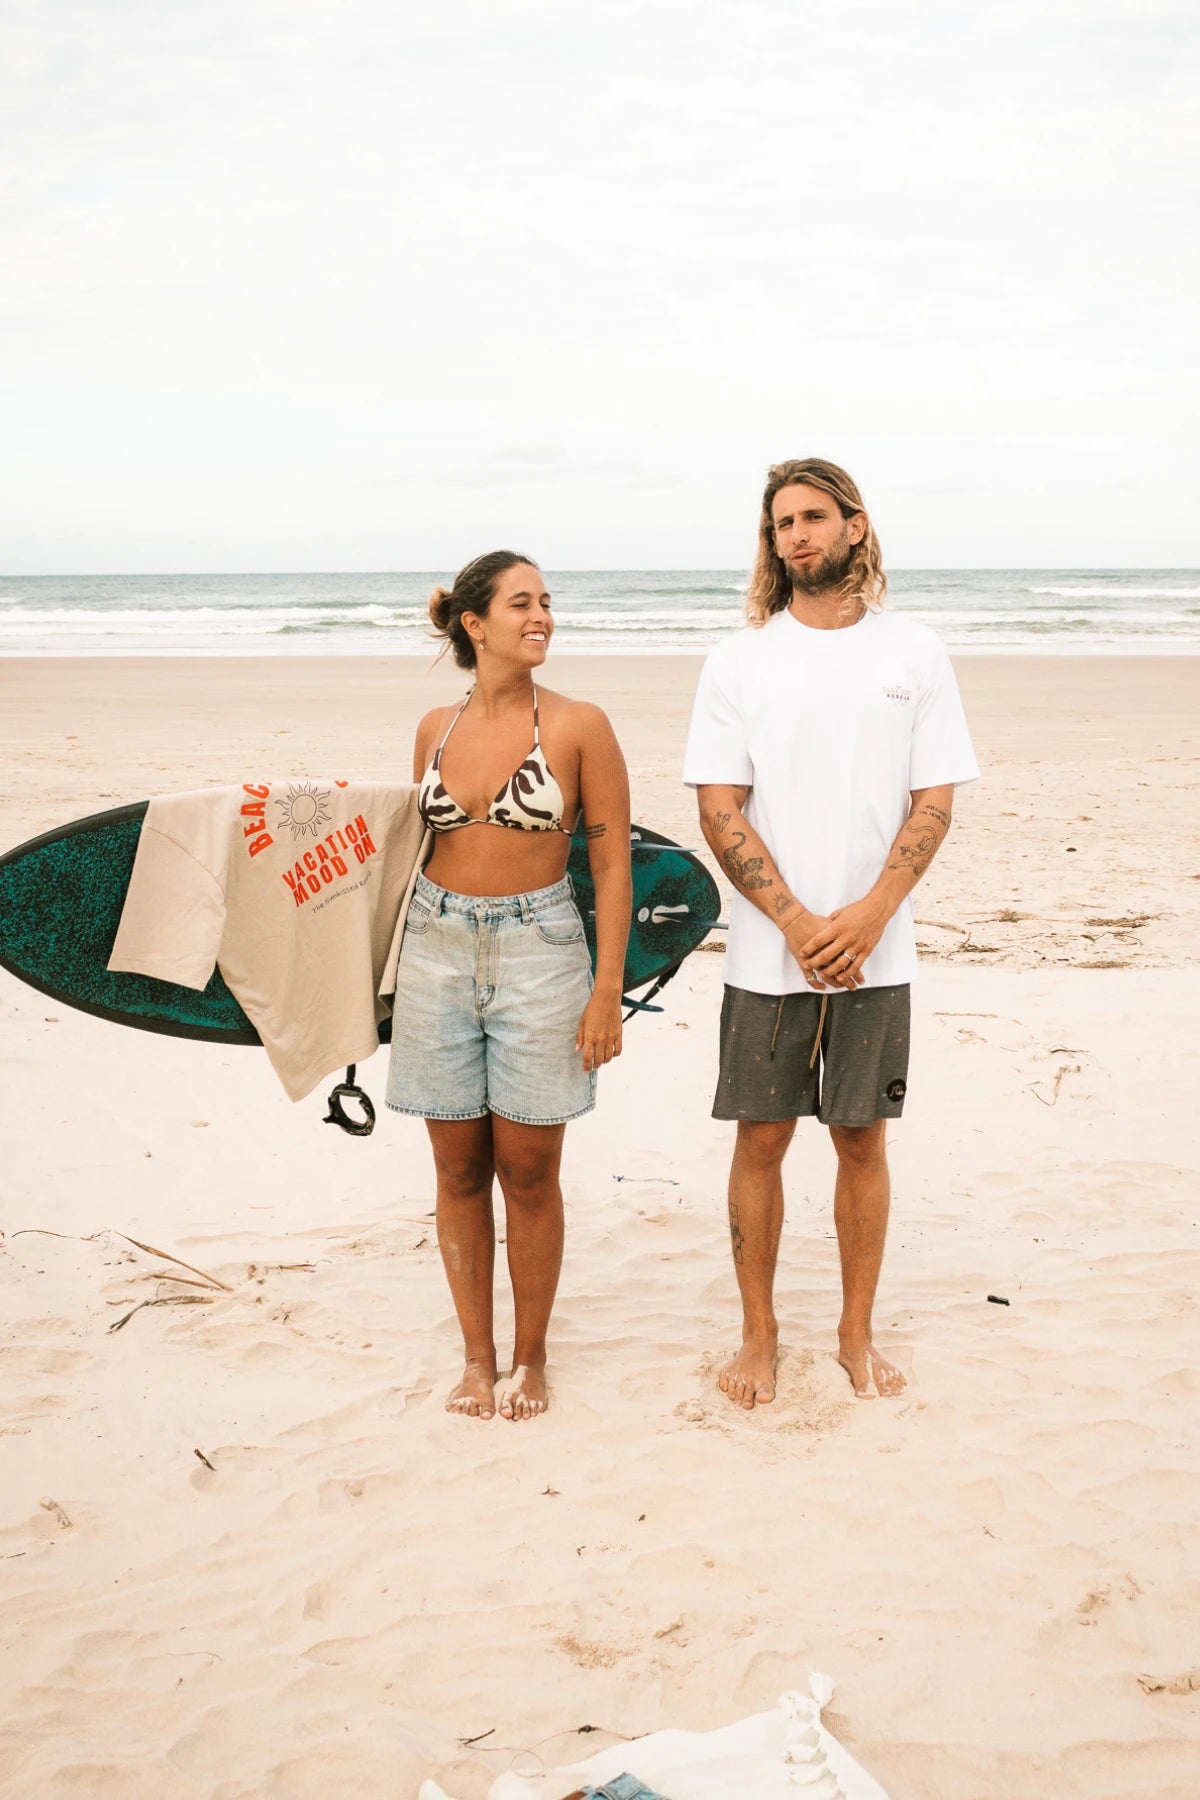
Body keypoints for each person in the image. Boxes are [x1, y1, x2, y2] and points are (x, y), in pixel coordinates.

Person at [683, 458, 979, 1405]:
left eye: (814, 517)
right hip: (770, 953)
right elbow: (721, 808)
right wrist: (800, 921)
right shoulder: (741, 659)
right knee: (761, 1137)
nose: (797, 536)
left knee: (861, 1137)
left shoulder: (915, 652)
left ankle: (856, 1332)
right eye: (781, 524)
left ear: (855, 526)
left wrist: (870, 913)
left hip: (879, 949)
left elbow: (934, 800)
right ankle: (758, 1338)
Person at [388, 550, 631, 1422]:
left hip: (543, 951)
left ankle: (530, 1360)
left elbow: (609, 862)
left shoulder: (578, 725)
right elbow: (403, 856)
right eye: (522, 603)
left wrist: (606, 990)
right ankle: (475, 1359)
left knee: (529, 1172)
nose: (543, 617)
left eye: (548, 603)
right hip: (436, 947)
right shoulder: (432, 729)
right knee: (457, 1170)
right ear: (473, 623)